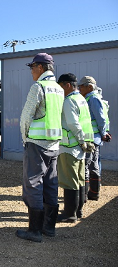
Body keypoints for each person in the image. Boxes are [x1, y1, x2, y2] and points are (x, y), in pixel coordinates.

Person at [16, 53, 64, 243]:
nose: (31, 71)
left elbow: (26, 118)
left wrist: (25, 138)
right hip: (54, 143)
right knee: (51, 183)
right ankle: (49, 228)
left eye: (32, 67)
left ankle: (34, 231)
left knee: (33, 183)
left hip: (37, 143)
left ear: (41, 68)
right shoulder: (59, 89)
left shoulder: (39, 87)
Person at [56, 73, 94, 223]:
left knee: (69, 181)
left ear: (68, 85)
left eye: (61, 87)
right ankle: (78, 211)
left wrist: (81, 140)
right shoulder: (82, 99)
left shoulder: (69, 101)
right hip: (81, 148)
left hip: (70, 146)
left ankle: (69, 214)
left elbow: (73, 124)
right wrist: (85, 142)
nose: (60, 90)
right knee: (79, 179)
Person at [78, 76, 112, 201]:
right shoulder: (90, 98)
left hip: (92, 138)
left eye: (81, 86)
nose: (79, 88)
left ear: (90, 87)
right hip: (94, 138)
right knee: (93, 165)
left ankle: (87, 195)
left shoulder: (92, 99)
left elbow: (101, 118)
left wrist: (103, 133)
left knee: (87, 165)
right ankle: (93, 193)